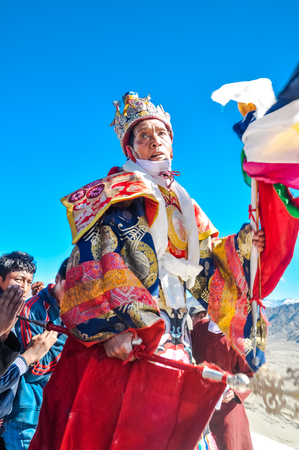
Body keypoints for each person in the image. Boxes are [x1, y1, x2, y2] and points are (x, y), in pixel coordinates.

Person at [29, 92, 265, 450]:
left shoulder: (184, 202)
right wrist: (114, 330)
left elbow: (210, 261)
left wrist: (247, 246)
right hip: (128, 338)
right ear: (130, 149)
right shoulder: (113, 194)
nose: (155, 140)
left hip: (176, 339)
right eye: (144, 135)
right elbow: (98, 260)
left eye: (162, 133)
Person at [2, 259, 69, 450]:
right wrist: (72, 344)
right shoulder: (30, 309)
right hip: (26, 414)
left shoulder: (73, 312)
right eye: (71, 285)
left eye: (28, 282)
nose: (77, 294)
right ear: (58, 279)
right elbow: (33, 370)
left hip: (53, 408)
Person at [191, 317, 254, 450]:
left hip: (225, 410)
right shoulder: (200, 326)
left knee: (225, 443)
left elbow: (251, 375)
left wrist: (233, 392)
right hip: (198, 403)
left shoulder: (241, 335)